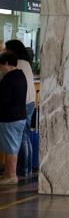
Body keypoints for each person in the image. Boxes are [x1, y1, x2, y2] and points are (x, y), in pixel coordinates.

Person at [5, 40, 36, 177]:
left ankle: (22, 169)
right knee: (26, 136)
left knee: (22, 137)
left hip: (22, 103)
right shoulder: (26, 63)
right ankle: (27, 168)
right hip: (30, 102)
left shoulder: (17, 64)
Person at [0, 52, 27, 185]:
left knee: (11, 148)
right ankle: (7, 173)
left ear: (6, 64)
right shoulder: (20, 75)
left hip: (10, 118)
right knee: (12, 146)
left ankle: (11, 176)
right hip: (19, 116)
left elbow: (4, 99)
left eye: (1, 66)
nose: (1, 69)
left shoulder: (9, 79)